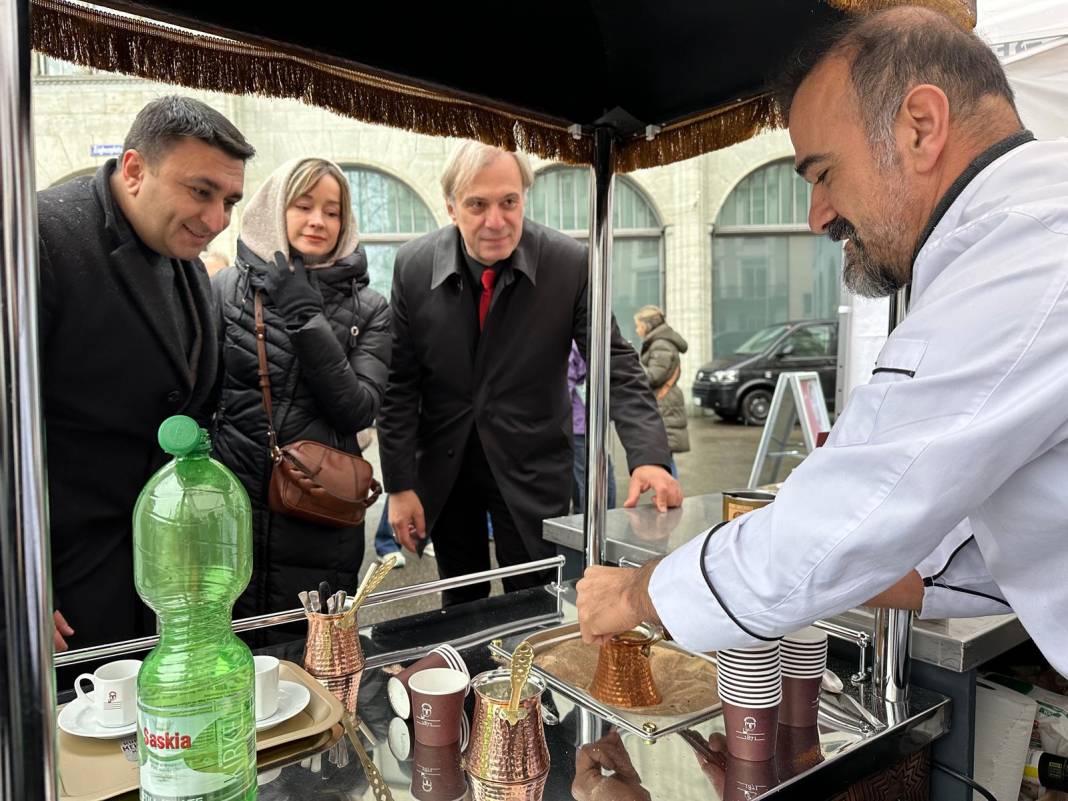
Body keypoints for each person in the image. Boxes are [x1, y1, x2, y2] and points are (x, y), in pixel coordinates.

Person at [577, 5, 1068, 681]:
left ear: (921, 126)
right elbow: (997, 543)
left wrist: (636, 592)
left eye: (822, 173)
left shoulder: (1031, 250)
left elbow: (853, 513)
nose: (817, 218)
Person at [378, 142, 681, 605]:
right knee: (461, 600)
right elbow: (400, 384)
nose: (496, 221)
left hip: (532, 463)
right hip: (447, 467)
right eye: (477, 205)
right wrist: (400, 486)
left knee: (537, 597)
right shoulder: (414, 266)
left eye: (509, 202)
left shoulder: (569, 264)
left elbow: (614, 363)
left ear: (524, 197)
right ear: (451, 206)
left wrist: (650, 456)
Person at [38, 96, 254, 653]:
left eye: (229, 200)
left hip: (160, 582)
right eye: (200, 191)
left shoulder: (188, 261)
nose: (217, 220)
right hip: (64, 587)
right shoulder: (40, 234)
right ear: (134, 169)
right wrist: (17, 589)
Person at [211, 158, 390, 628]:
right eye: (304, 205)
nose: (318, 221)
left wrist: (307, 317)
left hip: (319, 516)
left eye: (333, 212)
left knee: (313, 664)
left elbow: (357, 410)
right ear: (275, 209)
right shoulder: (225, 290)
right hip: (235, 510)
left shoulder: (369, 308)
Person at [634, 305, 689, 477]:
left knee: (664, 456)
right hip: (665, 402)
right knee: (663, 455)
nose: (637, 330)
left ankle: (671, 495)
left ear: (647, 326)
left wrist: (632, 366)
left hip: (664, 404)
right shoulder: (661, 342)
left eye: (638, 326)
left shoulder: (660, 345)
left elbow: (653, 377)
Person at [568, 342, 617, 511]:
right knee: (603, 472)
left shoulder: (572, 345)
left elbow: (565, 385)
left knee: (586, 478)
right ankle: (608, 518)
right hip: (596, 421)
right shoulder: (597, 341)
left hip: (579, 423)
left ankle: (587, 522)